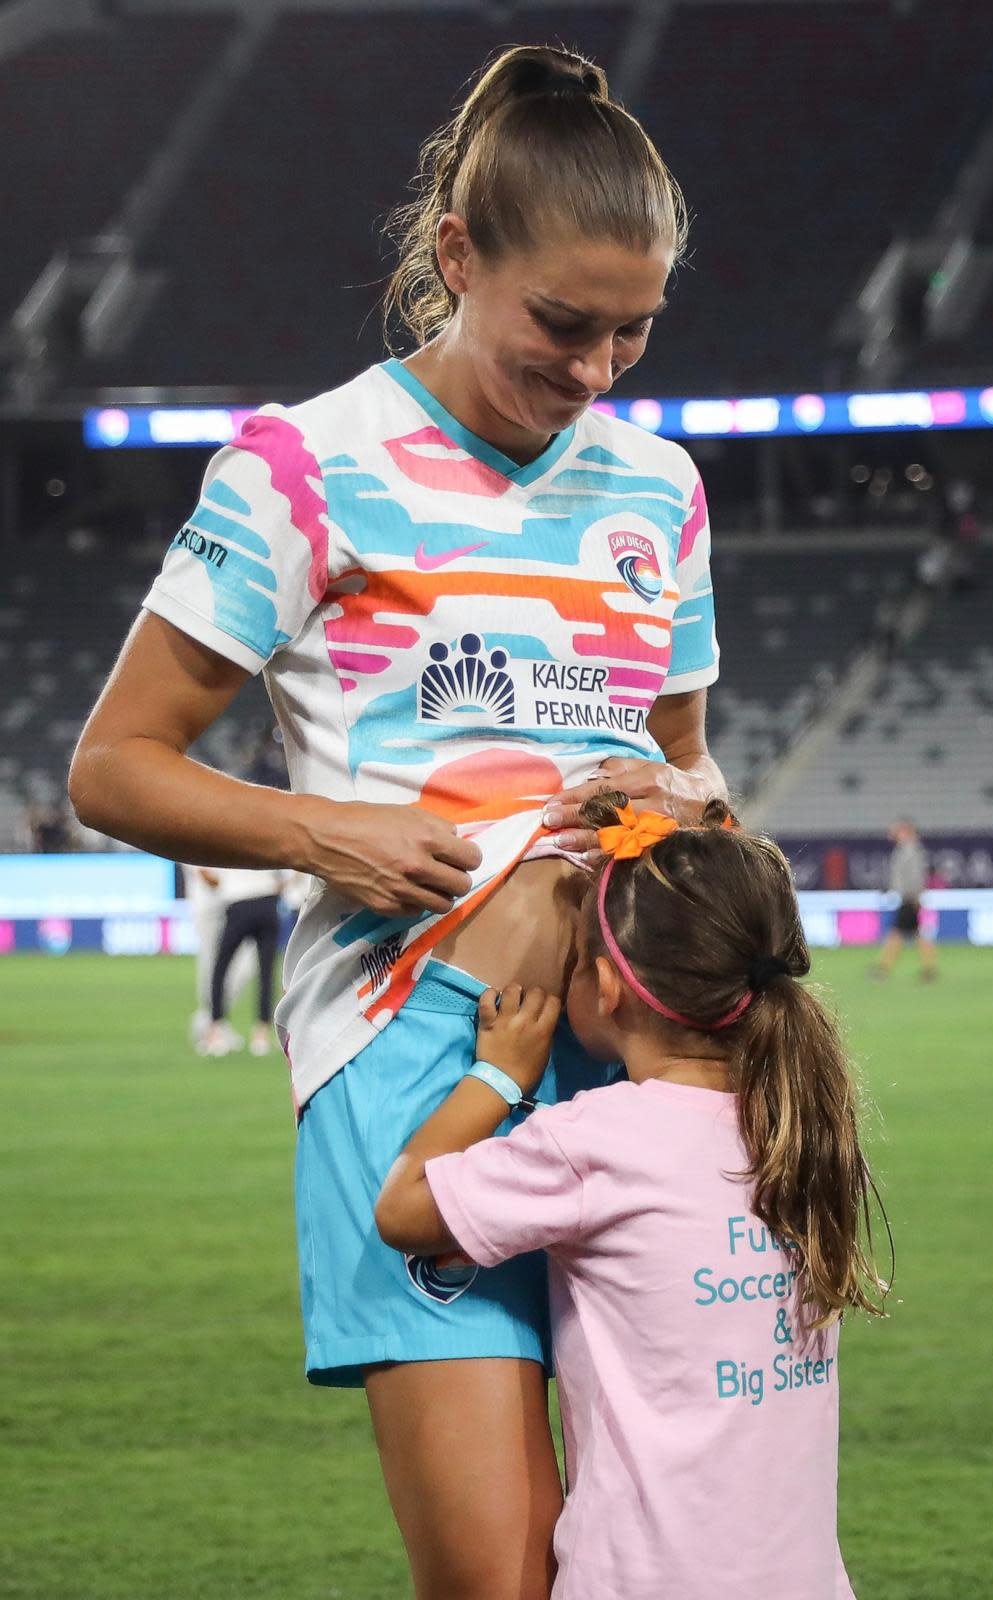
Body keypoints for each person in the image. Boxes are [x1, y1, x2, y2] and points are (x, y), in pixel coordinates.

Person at [68, 44, 722, 1600]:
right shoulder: (304, 465)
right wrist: (327, 833)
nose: (596, 374)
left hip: (639, 1045)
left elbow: (696, 774)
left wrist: (681, 806)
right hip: (411, 1048)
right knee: (498, 1579)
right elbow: (115, 767)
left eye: (631, 333)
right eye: (561, 325)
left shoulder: (661, 491)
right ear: (455, 258)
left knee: (663, 1561)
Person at [377, 794, 885, 1599]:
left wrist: (496, 1074)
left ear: (606, 986)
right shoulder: (802, 1127)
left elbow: (403, 1211)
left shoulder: (597, 1142)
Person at [201, 865, 285, 1056]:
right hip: (267, 901)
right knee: (266, 972)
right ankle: (261, 1034)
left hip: (239, 902)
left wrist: (226, 885)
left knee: (220, 967)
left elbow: (209, 875)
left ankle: (216, 1028)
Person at [184, 862, 258, 1053]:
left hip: (231, 904)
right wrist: (236, 886)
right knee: (211, 969)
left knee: (246, 966)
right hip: (209, 909)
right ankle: (212, 1024)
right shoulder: (192, 836)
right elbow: (204, 873)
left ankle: (212, 1019)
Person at [871, 818, 939, 981]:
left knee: (897, 933)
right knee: (915, 935)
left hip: (909, 899)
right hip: (908, 898)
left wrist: (913, 895)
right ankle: (929, 968)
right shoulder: (909, 850)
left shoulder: (910, 851)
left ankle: (883, 968)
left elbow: (914, 877)